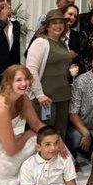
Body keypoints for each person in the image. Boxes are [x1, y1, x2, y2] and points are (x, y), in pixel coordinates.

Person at [0, 65, 45, 185]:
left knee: (44, 142)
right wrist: (26, 135)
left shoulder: (22, 98)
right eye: (18, 80)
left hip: (10, 142)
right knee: (34, 143)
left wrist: (56, 139)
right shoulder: (2, 109)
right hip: (4, 151)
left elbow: (37, 124)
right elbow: (11, 150)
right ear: (8, 83)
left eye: (26, 79)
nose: (24, 83)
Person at [20, 125, 93, 185]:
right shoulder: (27, 166)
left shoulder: (65, 159)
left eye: (56, 143)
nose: (53, 148)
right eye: (48, 144)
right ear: (38, 147)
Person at [26, 9, 72, 139]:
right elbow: (31, 70)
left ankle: (60, 154)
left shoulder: (63, 44)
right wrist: (40, 95)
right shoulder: (40, 42)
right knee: (45, 135)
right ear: (47, 26)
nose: (58, 26)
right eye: (54, 23)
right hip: (45, 98)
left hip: (63, 96)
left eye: (61, 22)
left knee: (60, 133)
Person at [0, 0, 21, 80]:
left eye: (8, 0)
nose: (6, 3)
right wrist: (2, 20)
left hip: (11, 76)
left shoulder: (15, 25)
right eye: (1, 0)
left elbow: (16, 52)